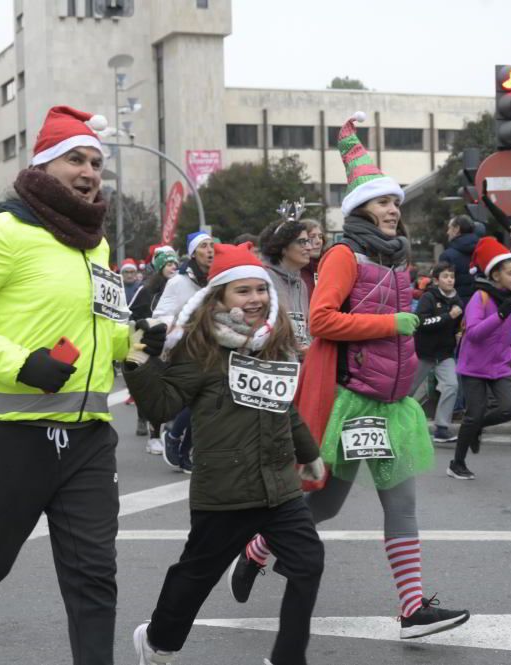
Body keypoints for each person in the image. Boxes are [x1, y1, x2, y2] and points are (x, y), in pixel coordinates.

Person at [231, 112, 468, 639]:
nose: (393, 210)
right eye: (385, 202)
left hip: (393, 403)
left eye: (396, 203)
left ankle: (411, 611)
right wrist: (390, 322)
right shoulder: (344, 253)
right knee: (326, 504)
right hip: (350, 401)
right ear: (362, 208)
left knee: (401, 507)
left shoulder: (398, 259)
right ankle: (256, 549)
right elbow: (321, 320)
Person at [0, 104, 138, 665]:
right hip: (15, 436)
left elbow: (104, 329)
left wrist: (138, 342)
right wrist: (21, 363)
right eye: (75, 159)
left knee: (94, 576)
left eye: (96, 161)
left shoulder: (97, 245)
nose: (90, 171)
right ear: (43, 167)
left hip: (89, 436)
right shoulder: (1, 231)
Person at [126, 242, 324, 665]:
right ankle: (158, 642)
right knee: (196, 576)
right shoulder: (200, 349)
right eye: (243, 291)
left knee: (308, 563)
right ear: (218, 297)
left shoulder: (273, 341)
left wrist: (307, 451)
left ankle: (288, 658)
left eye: (261, 290)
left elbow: (281, 405)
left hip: (279, 486)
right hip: (225, 489)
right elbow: (160, 407)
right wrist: (139, 357)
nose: (256, 300)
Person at [448, 238, 511, 479]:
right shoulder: (479, 298)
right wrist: (500, 315)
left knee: (510, 408)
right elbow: (473, 334)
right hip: (473, 366)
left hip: (500, 365)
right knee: (473, 414)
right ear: (495, 275)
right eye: (510, 273)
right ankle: (456, 463)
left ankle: (476, 428)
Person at [154, 231, 215, 471]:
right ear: (193, 253)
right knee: (199, 399)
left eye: (212, 246)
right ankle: (174, 434)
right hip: (186, 349)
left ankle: (185, 450)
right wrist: (180, 330)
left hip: (212, 348)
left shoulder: (216, 279)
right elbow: (160, 315)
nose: (210, 250)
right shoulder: (178, 282)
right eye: (204, 246)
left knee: (205, 402)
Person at [130, 247, 179, 454]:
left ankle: (171, 428)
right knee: (152, 390)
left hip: (173, 346)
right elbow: (130, 312)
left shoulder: (180, 287)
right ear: (159, 267)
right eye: (169, 264)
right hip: (149, 346)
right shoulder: (146, 290)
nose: (173, 267)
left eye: (175, 263)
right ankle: (153, 436)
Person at [410, 262, 462, 443]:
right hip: (423, 352)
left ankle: (441, 427)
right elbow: (422, 322)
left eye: (452, 276)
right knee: (409, 389)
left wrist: (458, 332)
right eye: (445, 276)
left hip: (445, 353)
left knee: (451, 385)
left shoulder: (457, 300)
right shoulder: (428, 298)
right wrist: (448, 316)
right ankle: (395, 421)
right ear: (436, 280)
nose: (450, 280)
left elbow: (457, 325)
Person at [259, 217, 313, 350]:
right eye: (302, 242)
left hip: (296, 362)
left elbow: (303, 328)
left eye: (308, 241)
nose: (309, 247)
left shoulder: (302, 284)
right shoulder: (263, 278)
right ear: (283, 247)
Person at [439, 215, 479, 303]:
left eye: (449, 228)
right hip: (480, 304)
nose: (447, 232)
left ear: (457, 229)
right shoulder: (482, 251)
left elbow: (443, 288)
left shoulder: (447, 255)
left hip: (456, 307)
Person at [300, 219, 324, 296]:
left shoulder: (325, 266)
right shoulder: (295, 271)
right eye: (312, 237)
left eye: (320, 237)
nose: (318, 241)